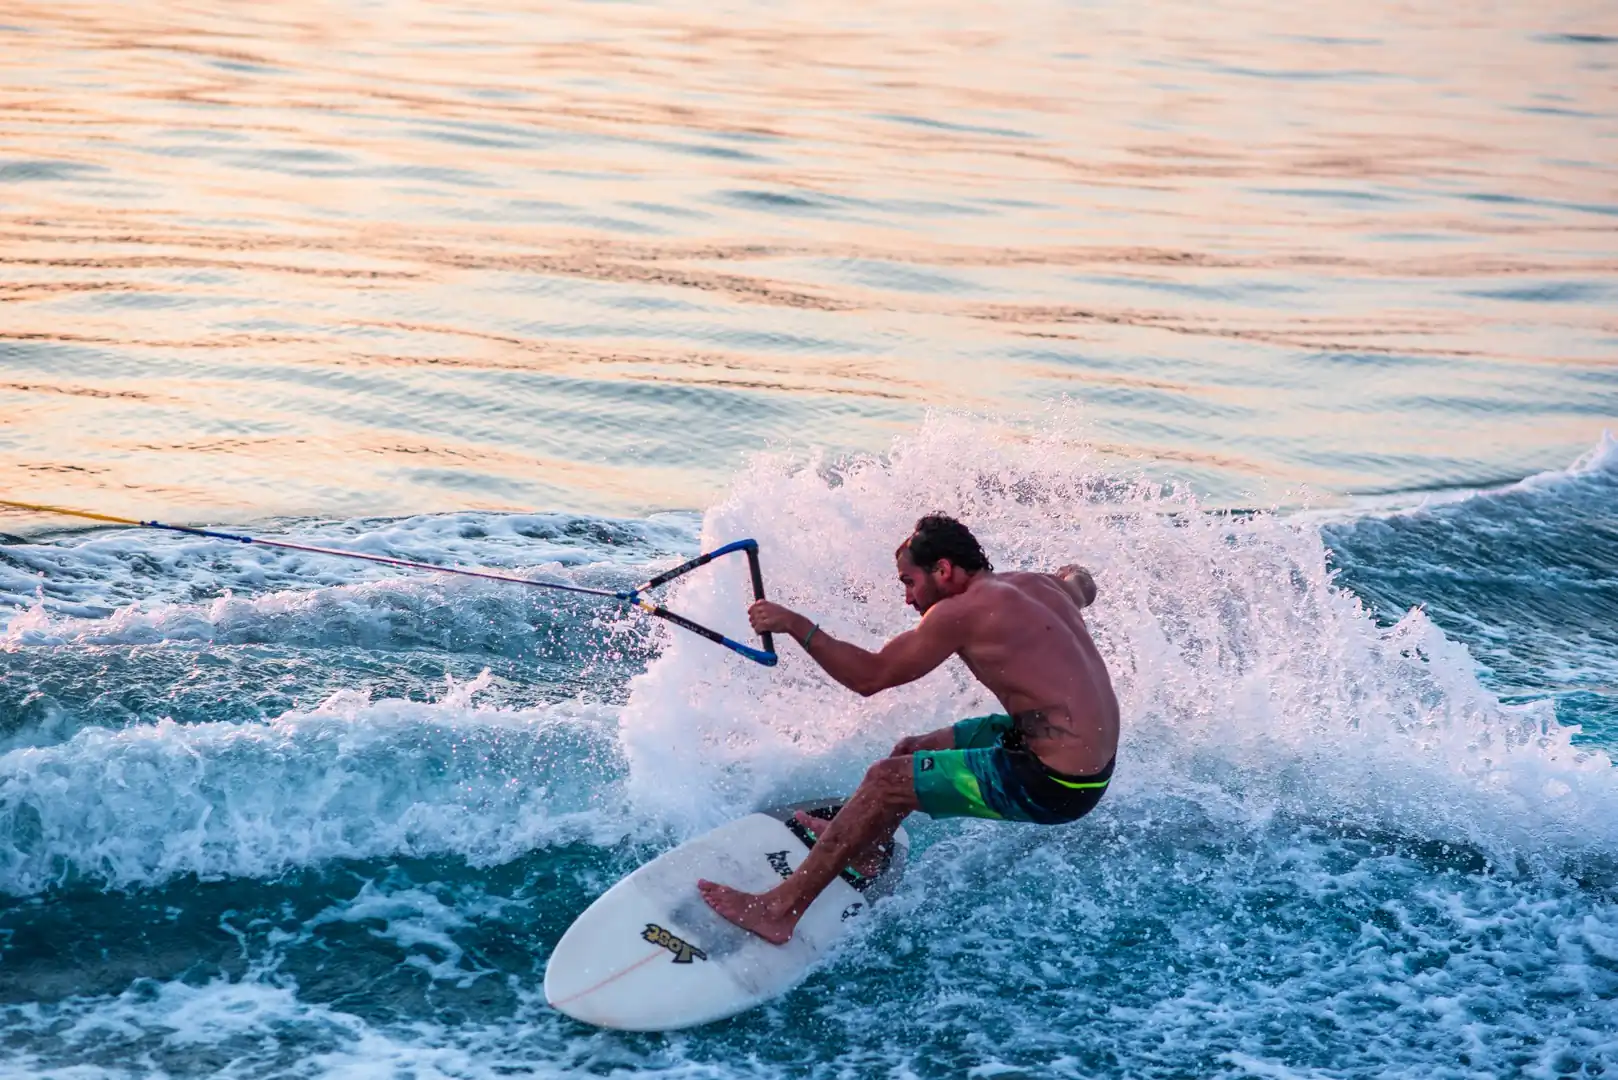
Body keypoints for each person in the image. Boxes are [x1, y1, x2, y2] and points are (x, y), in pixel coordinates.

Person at [697, 513, 1119, 944]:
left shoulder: (962, 612)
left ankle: (777, 910)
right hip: (1073, 751)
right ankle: (866, 851)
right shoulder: (1041, 585)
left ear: (944, 570)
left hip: (1057, 782)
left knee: (884, 781)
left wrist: (794, 625)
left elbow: (870, 677)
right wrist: (1072, 575)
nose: (907, 598)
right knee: (909, 752)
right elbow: (1081, 583)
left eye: (908, 581)